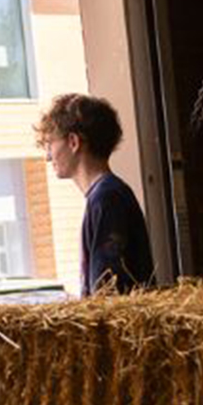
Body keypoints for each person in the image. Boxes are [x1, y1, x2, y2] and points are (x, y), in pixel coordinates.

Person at [35, 93, 154, 296]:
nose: (48, 157)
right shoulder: (106, 195)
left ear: (73, 142)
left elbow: (106, 294)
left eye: (50, 145)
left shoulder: (106, 199)